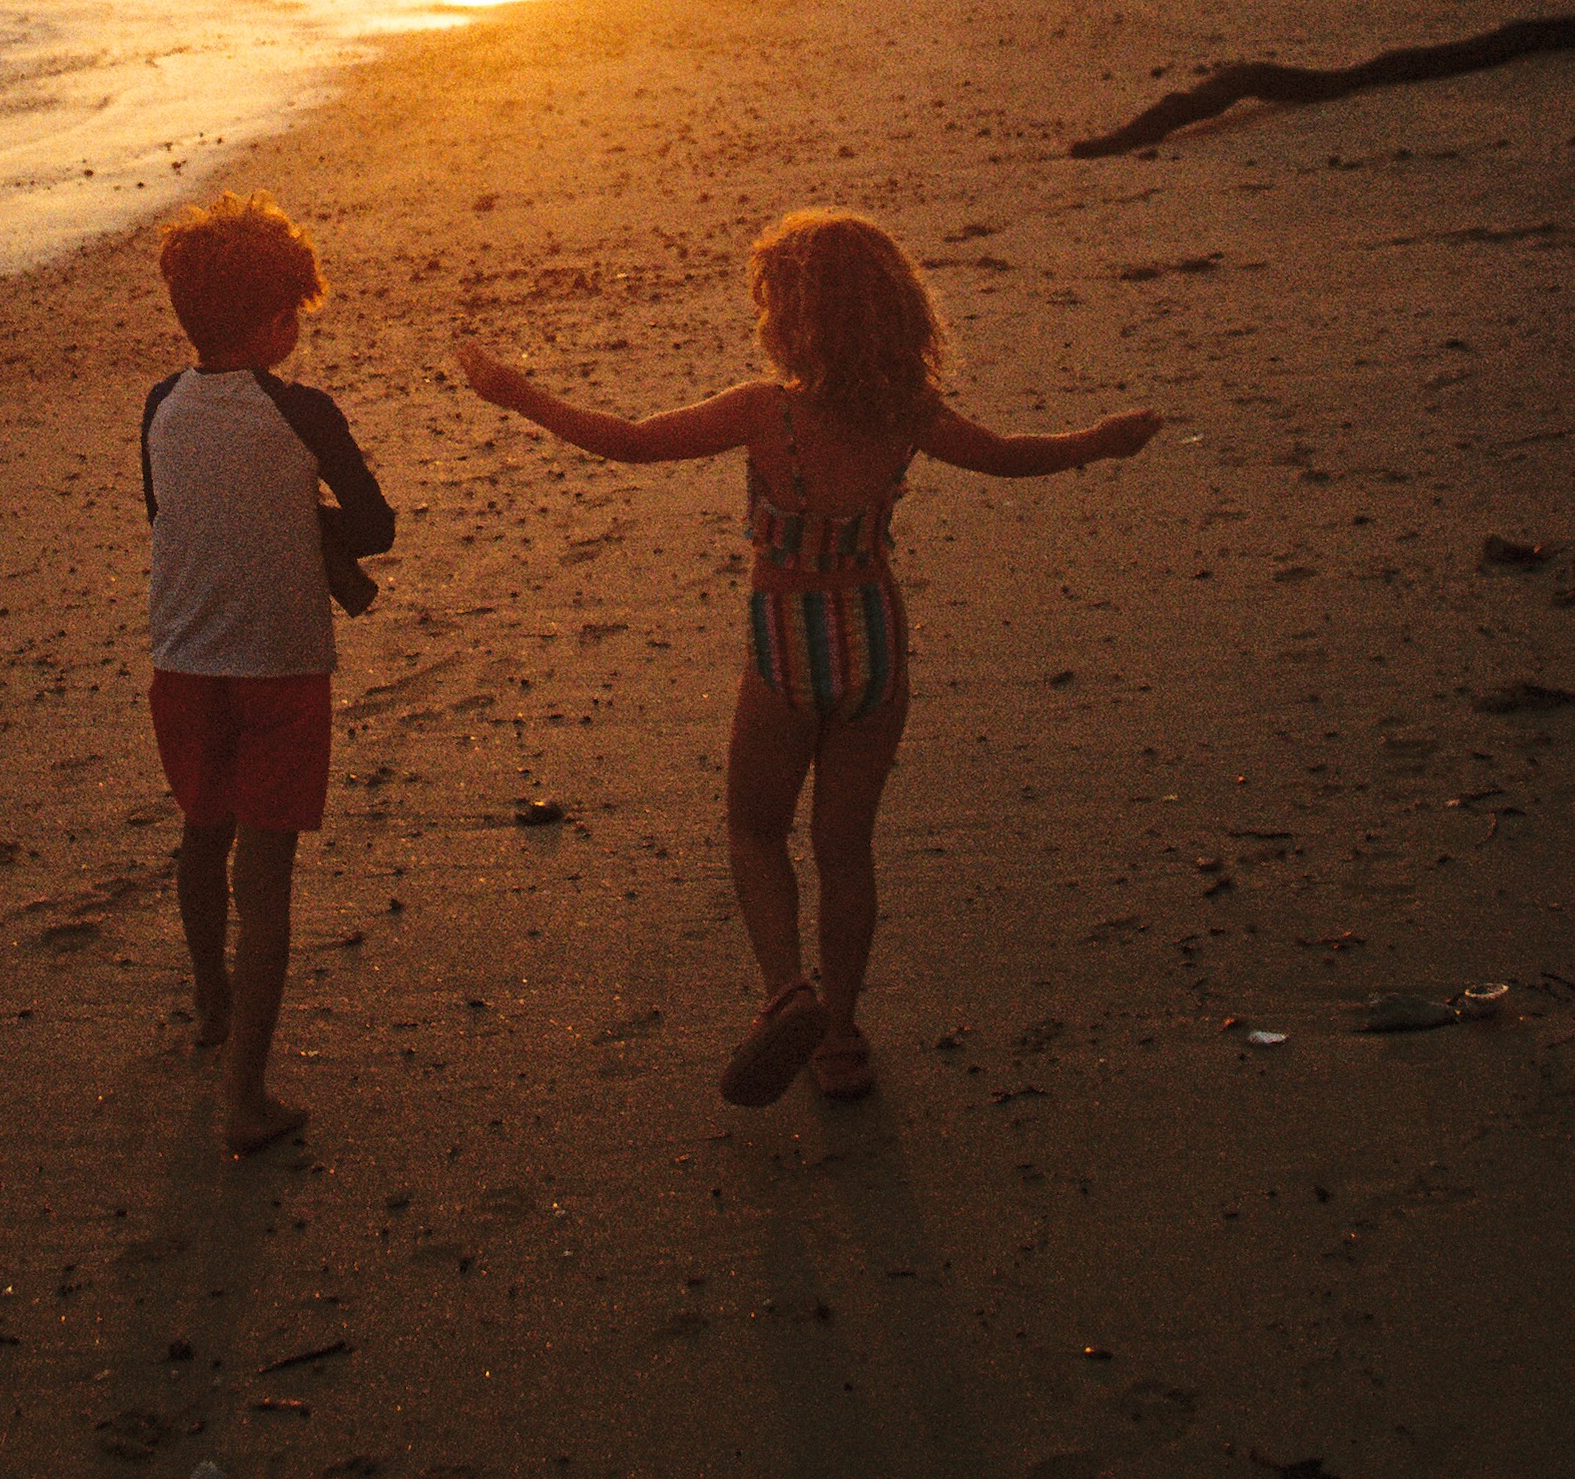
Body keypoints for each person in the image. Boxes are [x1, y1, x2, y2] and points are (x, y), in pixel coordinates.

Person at [456, 211, 1158, 1110]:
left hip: (788, 638)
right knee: (845, 847)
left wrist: (517, 391)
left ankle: (787, 992)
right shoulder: (910, 412)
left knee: (754, 828)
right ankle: (841, 1038)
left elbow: (628, 440)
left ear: (792, 319)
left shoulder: (766, 410)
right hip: (873, 635)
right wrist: (1100, 438)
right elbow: (1010, 458)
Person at [144, 194, 396, 1153]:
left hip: (183, 655)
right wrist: (312, 531)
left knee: (201, 833)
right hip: (281, 664)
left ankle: (210, 998)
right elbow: (376, 527)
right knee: (270, 874)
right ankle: (247, 1095)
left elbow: (163, 514)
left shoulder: (160, 406)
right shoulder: (306, 414)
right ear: (279, 320)